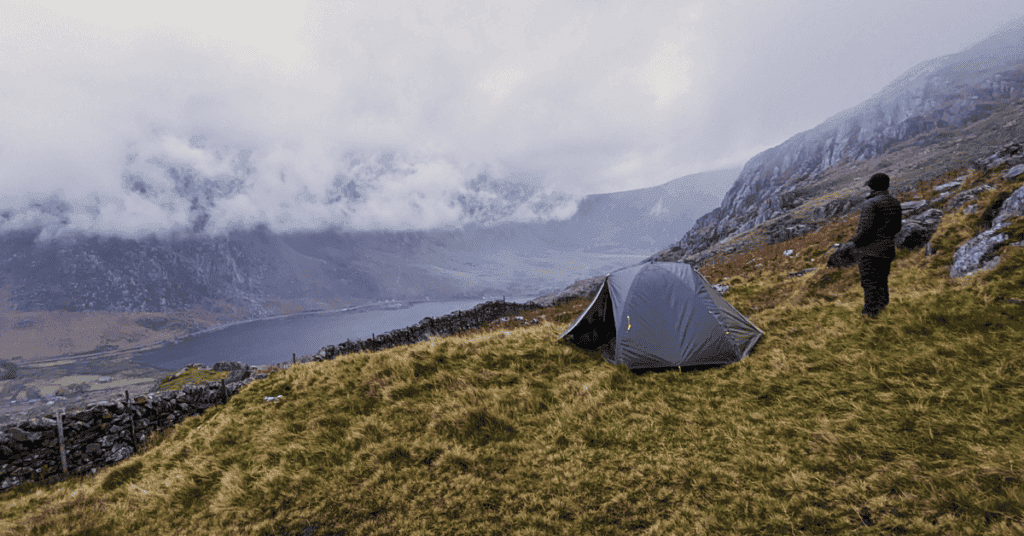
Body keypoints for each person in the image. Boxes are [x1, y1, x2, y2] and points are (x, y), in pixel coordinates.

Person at [850, 172, 902, 318]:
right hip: (887, 249)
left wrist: (855, 243)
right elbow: (897, 227)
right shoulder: (894, 202)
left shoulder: (871, 203)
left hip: (870, 251)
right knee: (882, 280)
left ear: (873, 187)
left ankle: (870, 314)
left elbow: (865, 230)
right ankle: (883, 310)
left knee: (869, 282)